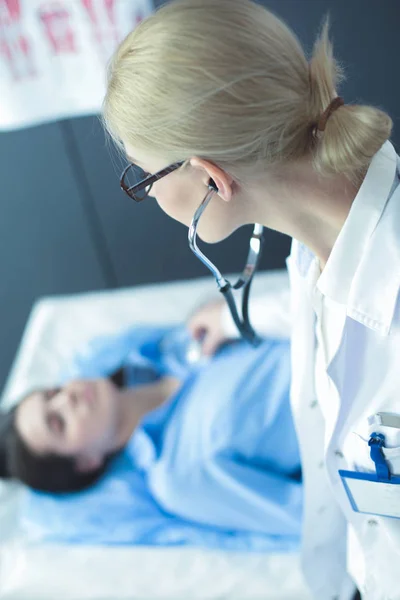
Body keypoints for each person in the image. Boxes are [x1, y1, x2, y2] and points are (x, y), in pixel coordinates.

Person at [102, 1, 400, 598]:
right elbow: (329, 303)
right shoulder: (316, 248)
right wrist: (237, 320)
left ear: (212, 178)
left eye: (145, 180)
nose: (151, 198)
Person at [0, 323, 302, 546]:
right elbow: (306, 514)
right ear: (86, 463)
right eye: (58, 422)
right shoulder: (179, 476)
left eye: (54, 392)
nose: (68, 398)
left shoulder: (172, 345)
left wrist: (226, 316)